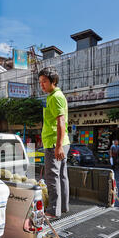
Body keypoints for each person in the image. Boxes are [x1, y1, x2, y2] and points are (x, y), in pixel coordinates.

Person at [39, 66, 70, 219]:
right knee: (61, 176)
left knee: (52, 177)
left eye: (44, 81)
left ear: (54, 81)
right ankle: (62, 207)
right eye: (40, 82)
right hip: (59, 142)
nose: (42, 85)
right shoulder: (54, 96)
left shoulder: (55, 97)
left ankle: (52, 210)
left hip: (54, 144)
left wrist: (58, 146)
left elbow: (61, 122)